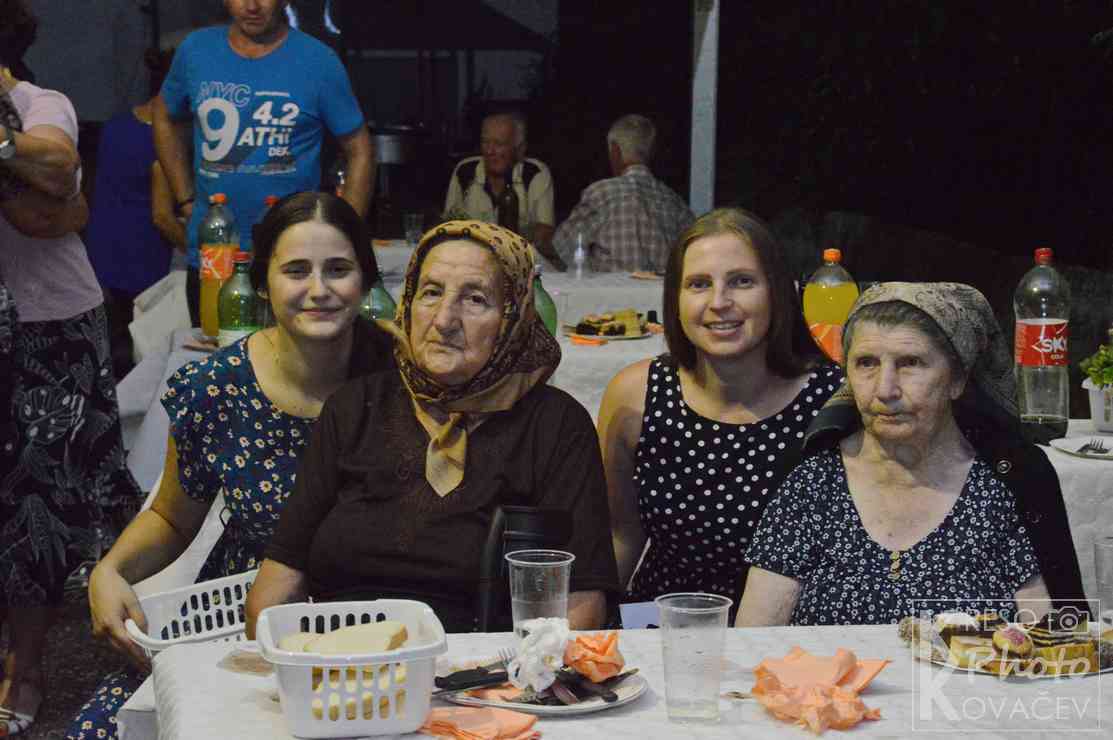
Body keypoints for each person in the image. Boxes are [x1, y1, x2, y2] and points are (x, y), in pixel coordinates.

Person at [67, 192, 394, 740]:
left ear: (365, 281)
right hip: (240, 619)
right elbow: (172, 518)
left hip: (377, 619)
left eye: (338, 269)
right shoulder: (218, 387)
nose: (319, 289)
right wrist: (111, 571)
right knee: (99, 730)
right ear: (262, 283)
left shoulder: (406, 378)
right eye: (296, 271)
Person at [245, 220, 619, 635]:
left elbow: (583, 604)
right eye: (431, 292)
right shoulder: (354, 408)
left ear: (512, 315)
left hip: (484, 663)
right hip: (346, 658)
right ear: (408, 302)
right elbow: (277, 584)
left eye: (475, 299)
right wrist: (296, 658)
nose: (444, 320)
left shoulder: (555, 425)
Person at [738, 283, 1087, 626]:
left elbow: (1050, 643)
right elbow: (753, 642)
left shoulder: (1008, 484)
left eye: (910, 363)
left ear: (957, 379)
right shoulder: (812, 484)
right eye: (866, 363)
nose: (885, 389)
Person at [0, 2, 142, 735]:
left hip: (48, 329)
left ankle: (26, 668)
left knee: (39, 508)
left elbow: (48, 192)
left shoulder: (38, 104)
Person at [597, 208, 840, 620]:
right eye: (699, 284)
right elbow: (621, 535)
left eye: (742, 281)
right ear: (675, 300)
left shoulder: (831, 401)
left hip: (789, 637)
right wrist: (586, 638)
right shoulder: (636, 393)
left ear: (778, 292)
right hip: (663, 628)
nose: (719, 302)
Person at [154, 0, 374, 326]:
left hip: (294, 256)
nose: (252, 6)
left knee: (291, 357)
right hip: (215, 254)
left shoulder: (318, 61)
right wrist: (185, 198)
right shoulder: (196, 50)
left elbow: (360, 148)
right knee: (214, 353)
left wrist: (345, 233)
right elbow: (163, 115)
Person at [85, 48, 183, 378]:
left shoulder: (116, 125)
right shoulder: (164, 141)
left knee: (109, 350)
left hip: (101, 253)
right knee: (141, 359)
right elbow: (162, 217)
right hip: (143, 262)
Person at [553, 114, 694, 273]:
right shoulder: (673, 201)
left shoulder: (601, 193)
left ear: (615, 150)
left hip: (610, 288)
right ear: (650, 152)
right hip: (659, 288)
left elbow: (563, 245)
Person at [442, 112, 564, 270]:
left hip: (522, 265)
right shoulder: (465, 171)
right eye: (485, 142)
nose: (490, 151)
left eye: (499, 144)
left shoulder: (534, 174)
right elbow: (447, 225)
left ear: (519, 149)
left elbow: (544, 234)